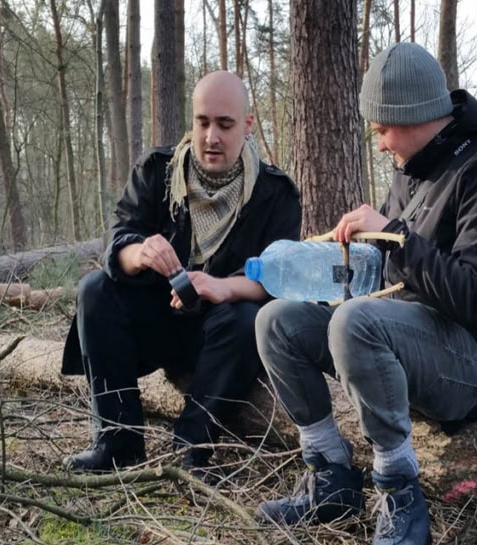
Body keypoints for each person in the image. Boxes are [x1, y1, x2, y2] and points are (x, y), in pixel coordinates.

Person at [253, 43, 477, 545]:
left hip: (475, 366)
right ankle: (331, 475)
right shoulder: (411, 170)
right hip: (402, 343)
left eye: (383, 129)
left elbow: (475, 296)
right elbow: (389, 275)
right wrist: (341, 263)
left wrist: (395, 237)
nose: (380, 144)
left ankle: (399, 491)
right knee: (278, 320)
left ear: (416, 116)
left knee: (354, 322)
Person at [61, 71, 301, 478]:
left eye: (225, 125)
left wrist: (223, 288)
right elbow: (119, 239)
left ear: (247, 124)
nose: (211, 137)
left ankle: (193, 448)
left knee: (247, 318)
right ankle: (117, 441)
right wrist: (138, 253)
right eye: (202, 122)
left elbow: (278, 277)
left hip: (223, 340)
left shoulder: (274, 194)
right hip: (154, 325)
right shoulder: (157, 171)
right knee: (94, 290)